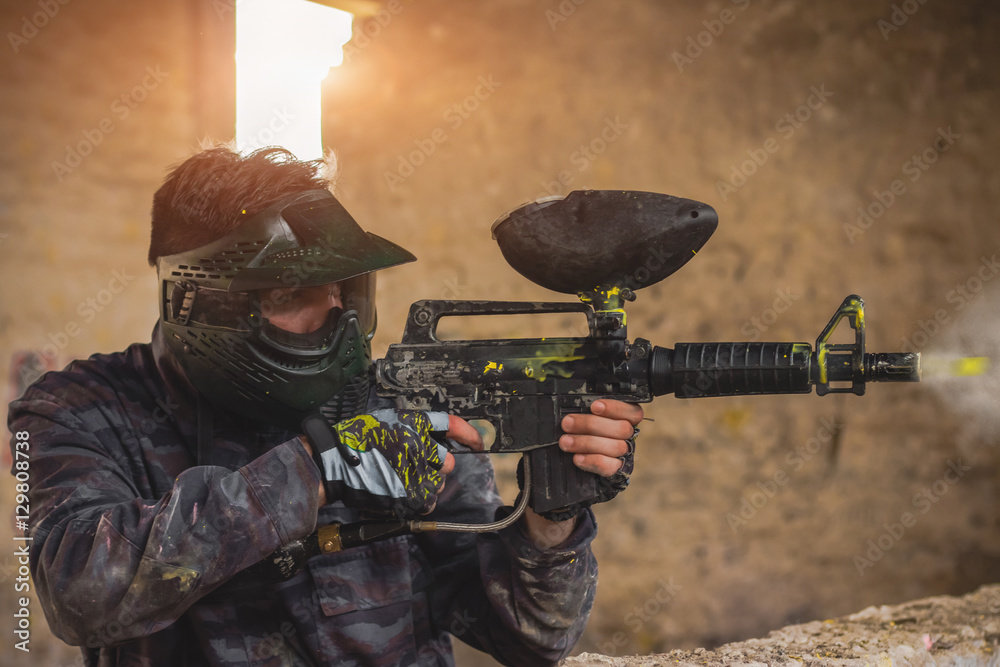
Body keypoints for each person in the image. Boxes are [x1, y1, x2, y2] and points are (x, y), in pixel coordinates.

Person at [8, 146, 643, 667]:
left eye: (346, 288)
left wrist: (550, 517)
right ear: (197, 302)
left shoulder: (397, 405)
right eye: (297, 293)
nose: (338, 315)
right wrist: (316, 468)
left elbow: (533, 639)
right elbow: (77, 597)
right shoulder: (74, 409)